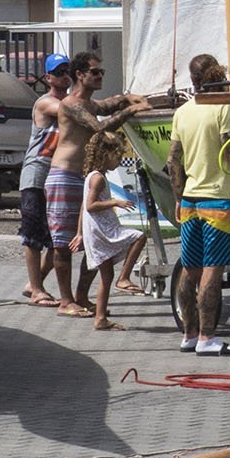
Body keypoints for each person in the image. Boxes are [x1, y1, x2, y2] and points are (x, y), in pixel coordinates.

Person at [46, 51, 148, 316]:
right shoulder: (71, 104)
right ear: (79, 75)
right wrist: (130, 110)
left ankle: (80, 296)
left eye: (101, 71)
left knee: (92, 240)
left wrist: (128, 98)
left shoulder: (90, 103)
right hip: (64, 175)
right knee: (63, 242)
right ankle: (65, 301)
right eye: (95, 72)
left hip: (83, 178)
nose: (101, 75)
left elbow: (107, 105)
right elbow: (99, 127)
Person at [168, 53, 230, 356]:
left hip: (189, 200)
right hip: (216, 199)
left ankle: (189, 334)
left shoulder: (183, 112)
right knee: (213, 270)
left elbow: (174, 160)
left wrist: (177, 198)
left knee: (190, 269)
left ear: (193, 80)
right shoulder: (223, 109)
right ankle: (208, 338)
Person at [70, 131, 143, 333]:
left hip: (97, 231)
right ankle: (125, 277)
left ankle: (100, 318)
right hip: (103, 231)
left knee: (106, 275)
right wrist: (115, 201)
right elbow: (91, 205)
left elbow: (83, 206)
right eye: (117, 156)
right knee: (139, 236)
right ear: (104, 155)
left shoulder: (93, 176)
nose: (119, 161)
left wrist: (79, 233)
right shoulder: (98, 179)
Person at [19, 53, 70, 306]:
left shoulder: (73, 102)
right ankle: (37, 290)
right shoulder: (45, 102)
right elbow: (67, 111)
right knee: (32, 234)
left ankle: (34, 282)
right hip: (37, 172)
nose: (65, 75)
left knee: (58, 237)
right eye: (59, 72)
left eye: (68, 70)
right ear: (48, 77)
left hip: (58, 175)